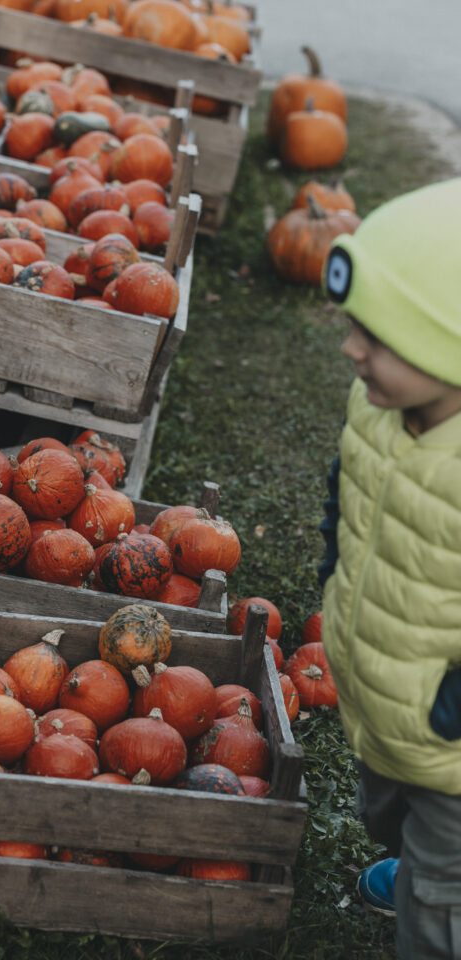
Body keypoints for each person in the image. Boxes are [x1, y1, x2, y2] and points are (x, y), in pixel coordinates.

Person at [319, 177, 461, 960]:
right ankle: (417, 867)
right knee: (387, 808)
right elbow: (349, 488)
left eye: (378, 334)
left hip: (451, 741)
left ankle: (434, 898)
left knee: (442, 903)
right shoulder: (374, 404)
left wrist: (449, 711)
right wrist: (331, 571)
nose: (351, 348)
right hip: (383, 700)